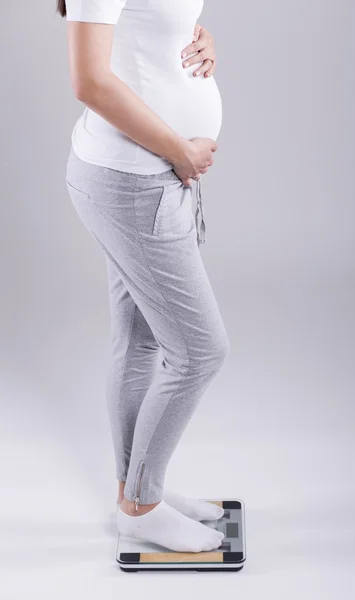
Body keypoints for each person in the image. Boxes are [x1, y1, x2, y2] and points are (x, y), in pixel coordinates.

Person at [59, 0, 230, 553]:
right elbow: (89, 80)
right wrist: (179, 149)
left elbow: (145, 32)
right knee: (200, 351)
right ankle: (142, 508)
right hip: (135, 181)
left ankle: (136, 490)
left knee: (137, 343)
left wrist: (195, 40)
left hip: (141, 177)